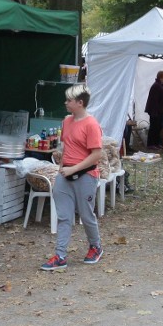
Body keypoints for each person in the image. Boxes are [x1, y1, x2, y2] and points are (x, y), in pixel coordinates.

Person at [41, 84, 104, 271]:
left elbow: (96, 154)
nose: (65, 103)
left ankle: (96, 246)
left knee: (86, 215)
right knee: (63, 216)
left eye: (69, 100)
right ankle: (60, 255)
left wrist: (74, 169)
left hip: (86, 175)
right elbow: (67, 147)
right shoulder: (66, 121)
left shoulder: (92, 124)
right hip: (65, 174)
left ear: (80, 103)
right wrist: (62, 168)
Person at [144, 70, 163, 149]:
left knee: (158, 127)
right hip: (155, 111)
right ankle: (151, 144)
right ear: (161, 77)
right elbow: (155, 100)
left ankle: (156, 143)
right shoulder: (156, 86)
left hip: (159, 110)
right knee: (154, 127)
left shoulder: (160, 85)